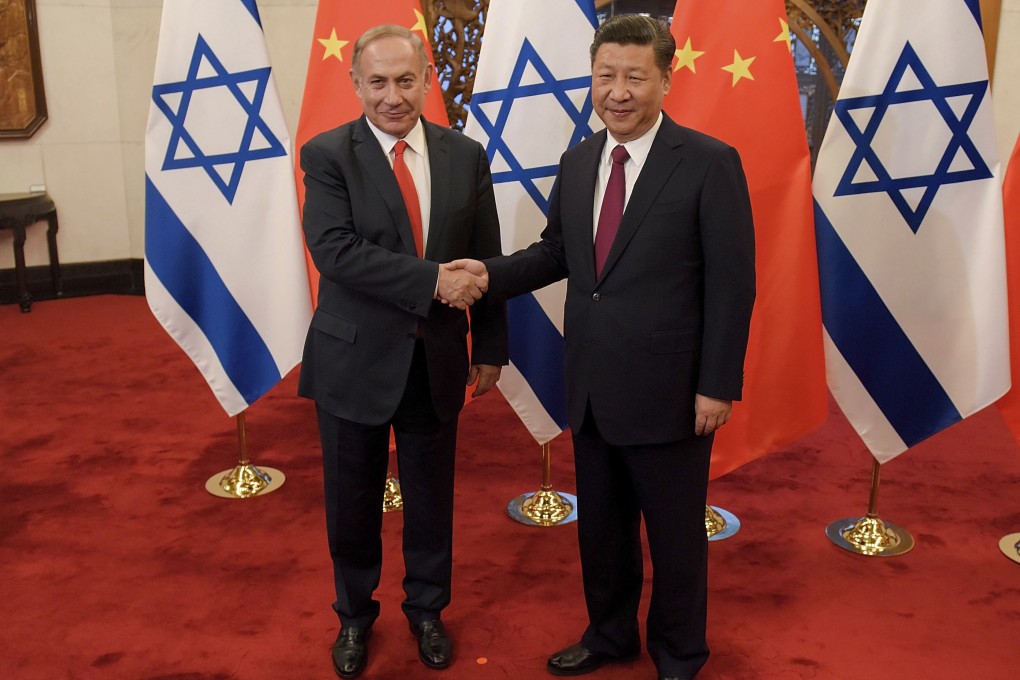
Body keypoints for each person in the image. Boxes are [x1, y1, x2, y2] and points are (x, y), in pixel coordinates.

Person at [446, 14, 755, 680]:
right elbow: (558, 252)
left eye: (634, 77)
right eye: (605, 75)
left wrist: (717, 384)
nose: (617, 92)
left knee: (674, 536)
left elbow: (733, 285)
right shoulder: (580, 159)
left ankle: (679, 652)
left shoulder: (709, 162)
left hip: (673, 390)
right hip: (590, 383)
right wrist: (488, 274)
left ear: (665, 80)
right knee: (603, 530)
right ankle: (610, 634)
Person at [298, 24, 508, 679]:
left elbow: (485, 255)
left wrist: (490, 344)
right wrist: (432, 281)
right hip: (352, 360)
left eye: (406, 80)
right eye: (378, 82)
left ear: (427, 80)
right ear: (356, 84)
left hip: (435, 359)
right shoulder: (328, 155)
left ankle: (427, 611)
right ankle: (354, 618)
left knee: (431, 500)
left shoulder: (465, 155)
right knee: (352, 503)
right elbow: (334, 250)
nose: (393, 96)